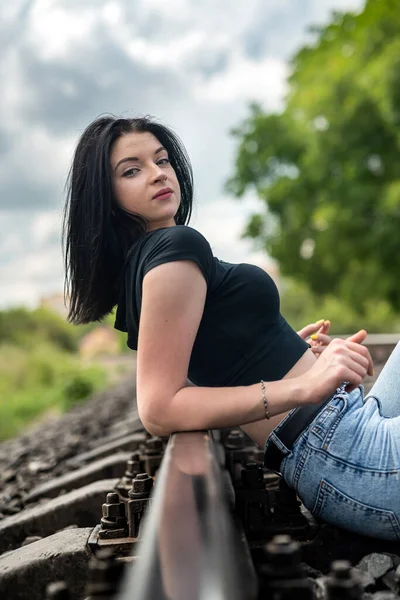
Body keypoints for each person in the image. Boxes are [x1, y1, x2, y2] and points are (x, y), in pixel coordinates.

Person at [62, 115, 400, 542]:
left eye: (161, 160)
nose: (157, 174)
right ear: (106, 196)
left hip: (346, 436)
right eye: (132, 170)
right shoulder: (174, 250)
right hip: (350, 458)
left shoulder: (151, 260)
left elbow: (207, 362)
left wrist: (282, 352)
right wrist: (304, 386)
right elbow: (159, 406)